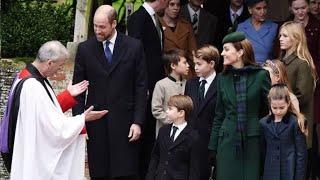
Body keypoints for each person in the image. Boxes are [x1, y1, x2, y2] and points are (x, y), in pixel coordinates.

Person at [5, 40, 107, 180]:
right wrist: (82, 119)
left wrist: (68, 95)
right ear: (49, 63)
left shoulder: (27, 76)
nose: (59, 71)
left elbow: (42, 113)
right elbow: (53, 129)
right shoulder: (32, 86)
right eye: (59, 66)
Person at [72, 5, 147, 180]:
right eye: (95, 26)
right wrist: (79, 122)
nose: (97, 30)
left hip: (126, 124)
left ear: (114, 24)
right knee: (99, 174)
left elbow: (141, 87)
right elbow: (78, 90)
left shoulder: (134, 47)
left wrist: (138, 122)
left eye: (102, 27)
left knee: (125, 174)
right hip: (96, 123)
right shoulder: (85, 49)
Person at [208, 32, 271, 180]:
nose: (222, 53)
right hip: (227, 141)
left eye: (226, 49)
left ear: (240, 52)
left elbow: (267, 110)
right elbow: (219, 114)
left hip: (252, 141)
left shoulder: (261, 76)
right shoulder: (222, 79)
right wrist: (212, 146)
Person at [127, 0, 169, 177]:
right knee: (143, 127)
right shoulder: (138, 18)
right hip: (145, 83)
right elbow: (137, 53)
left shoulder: (155, 18)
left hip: (155, 81)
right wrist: (142, 83)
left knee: (151, 128)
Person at [278, 21, 318, 180]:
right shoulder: (281, 60)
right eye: (280, 35)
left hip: (298, 127)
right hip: (284, 125)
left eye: (285, 35)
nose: (280, 38)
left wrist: (279, 104)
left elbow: (303, 96)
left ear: (296, 39)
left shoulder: (302, 64)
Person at [184, 44, 219, 179]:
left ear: (211, 63)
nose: (195, 67)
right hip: (191, 140)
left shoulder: (221, 83)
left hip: (211, 141)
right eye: (194, 64)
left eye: (199, 64)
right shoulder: (191, 83)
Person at [146, 95, 200, 180]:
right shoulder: (163, 131)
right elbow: (155, 156)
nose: (166, 111)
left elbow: (194, 167)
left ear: (181, 113)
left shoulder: (192, 136)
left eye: (170, 109)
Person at [260, 84, 307, 180]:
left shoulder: (295, 122)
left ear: (288, 103)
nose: (278, 111)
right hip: (270, 173)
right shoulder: (263, 123)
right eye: (274, 108)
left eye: (282, 108)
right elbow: (262, 151)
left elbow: (301, 154)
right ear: (270, 104)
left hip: (290, 172)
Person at [152, 49, 190, 137]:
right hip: (166, 132)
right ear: (173, 65)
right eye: (184, 63)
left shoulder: (187, 83)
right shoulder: (161, 85)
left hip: (184, 131)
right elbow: (156, 110)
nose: (188, 66)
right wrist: (173, 121)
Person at [236, 0, 278, 64]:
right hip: (246, 70)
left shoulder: (274, 27)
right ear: (250, 9)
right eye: (258, 9)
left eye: (265, 8)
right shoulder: (240, 28)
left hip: (268, 71)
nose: (263, 12)